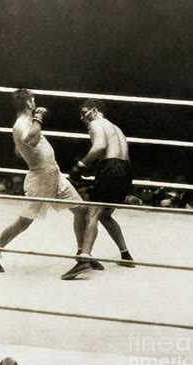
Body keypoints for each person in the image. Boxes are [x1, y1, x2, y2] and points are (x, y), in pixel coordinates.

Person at [0, 89, 89, 273]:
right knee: (24, 222)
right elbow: (31, 140)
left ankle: (82, 257)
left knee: (81, 210)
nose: (35, 104)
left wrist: (28, 147)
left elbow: (20, 150)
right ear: (29, 104)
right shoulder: (21, 124)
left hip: (54, 173)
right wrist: (39, 118)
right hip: (41, 178)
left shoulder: (25, 124)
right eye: (33, 101)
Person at [61, 99, 134, 280]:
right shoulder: (116, 128)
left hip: (111, 168)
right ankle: (126, 255)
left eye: (84, 112)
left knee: (91, 213)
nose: (82, 117)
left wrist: (80, 165)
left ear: (94, 111)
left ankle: (84, 258)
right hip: (125, 170)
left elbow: (100, 145)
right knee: (105, 215)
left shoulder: (96, 123)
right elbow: (117, 154)